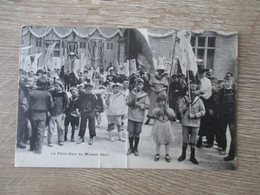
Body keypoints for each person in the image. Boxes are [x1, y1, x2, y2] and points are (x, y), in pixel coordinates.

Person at [178, 82, 205, 165]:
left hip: (195, 123)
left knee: (193, 141)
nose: (192, 92)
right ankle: (183, 155)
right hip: (186, 122)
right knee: (185, 139)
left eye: (194, 90)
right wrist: (187, 104)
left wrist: (195, 115)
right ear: (187, 91)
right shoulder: (183, 99)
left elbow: (203, 111)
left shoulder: (199, 100)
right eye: (190, 90)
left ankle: (192, 156)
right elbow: (180, 110)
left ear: (196, 91)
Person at [28, 78, 54, 154]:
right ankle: (38, 149)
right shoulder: (47, 93)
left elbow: (27, 103)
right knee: (40, 132)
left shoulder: (31, 92)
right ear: (45, 85)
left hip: (33, 113)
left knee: (34, 130)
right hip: (43, 114)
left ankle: (32, 147)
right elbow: (51, 105)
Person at [126, 78, 150, 156]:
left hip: (139, 116)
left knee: (137, 133)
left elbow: (147, 105)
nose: (138, 86)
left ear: (143, 85)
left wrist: (139, 105)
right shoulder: (131, 93)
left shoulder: (145, 95)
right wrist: (132, 100)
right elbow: (127, 103)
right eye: (137, 84)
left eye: (140, 84)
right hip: (131, 115)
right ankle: (130, 148)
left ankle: (136, 148)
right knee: (130, 132)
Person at [152, 95, 176, 162]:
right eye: (161, 101)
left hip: (167, 125)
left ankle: (167, 154)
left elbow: (173, 117)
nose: (162, 103)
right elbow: (156, 115)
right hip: (159, 124)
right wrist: (162, 109)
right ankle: (157, 153)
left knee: (167, 141)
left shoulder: (170, 110)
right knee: (158, 140)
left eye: (164, 101)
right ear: (158, 102)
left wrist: (167, 110)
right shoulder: (156, 109)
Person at [218, 79, 236, 161]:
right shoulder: (221, 91)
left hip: (232, 116)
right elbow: (217, 101)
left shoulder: (235, 92)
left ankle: (233, 153)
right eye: (226, 81)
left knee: (233, 134)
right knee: (222, 131)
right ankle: (223, 147)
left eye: (229, 81)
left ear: (231, 82)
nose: (227, 82)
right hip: (223, 114)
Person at [48, 81, 68, 147]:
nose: (55, 87)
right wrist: (49, 111)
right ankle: (50, 141)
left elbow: (66, 104)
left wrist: (64, 113)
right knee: (51, 128)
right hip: (52, 113)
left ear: (61, 87)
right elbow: (49, 103)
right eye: (55, 86)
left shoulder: (64, 94)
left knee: (61, 128)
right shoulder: (52, 93)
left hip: (60, 113)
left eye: (57, 86)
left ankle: (60, 140)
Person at [196, 65, 212, 147]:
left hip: (205, 100)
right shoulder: (196, 80)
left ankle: (201, 138)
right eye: (200, 72)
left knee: (204, 119)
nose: (201, 74)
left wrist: (202, 96)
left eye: (203, 72)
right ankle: (194, 137)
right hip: (196, 99)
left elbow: (209, 92)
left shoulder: (207, 81)